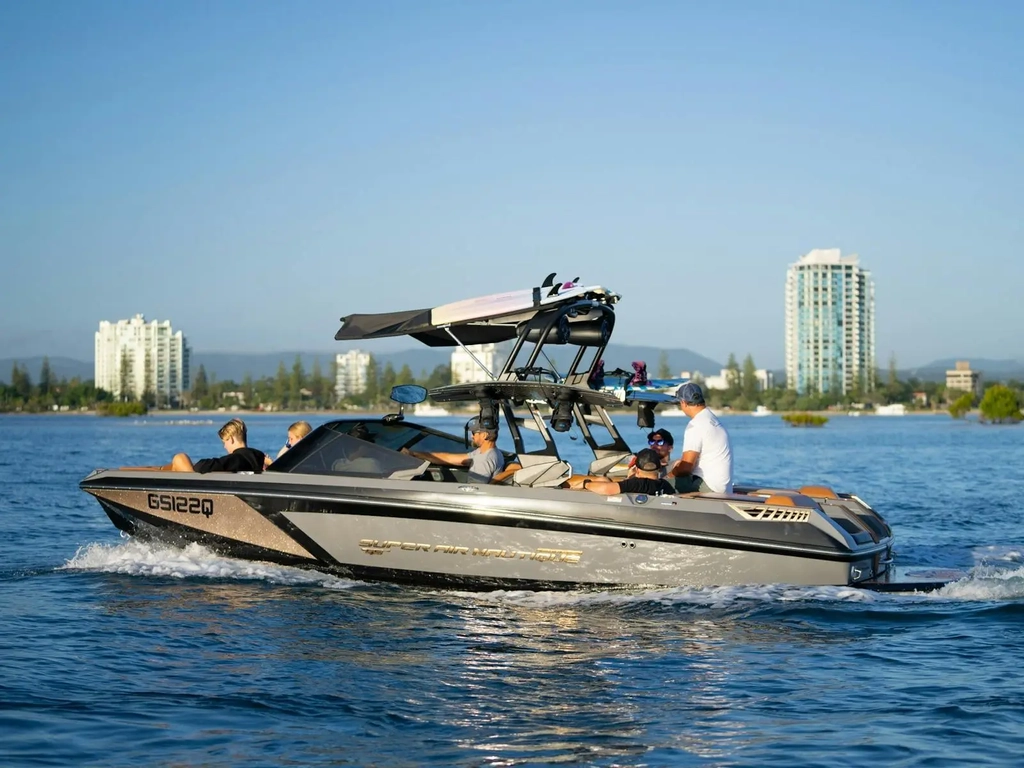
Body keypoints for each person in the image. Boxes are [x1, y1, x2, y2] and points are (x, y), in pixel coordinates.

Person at [667, 382, 733, 493]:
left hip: (709, 486)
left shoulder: (696, 425)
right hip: (723, 486)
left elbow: (686, 468)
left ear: (683, 403)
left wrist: (668, 476)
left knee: (658, 485)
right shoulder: (712, 419)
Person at [402, 418, 504, 484]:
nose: (471, 436)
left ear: (484, 435)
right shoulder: (487, 452)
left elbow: (475, 490)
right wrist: (414, 454)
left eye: (474, 433)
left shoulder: (484, 459)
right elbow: (450, 458)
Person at [168, 418, 265, 473]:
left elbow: (201, 466)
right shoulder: (259, 457)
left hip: (211, 496)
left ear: (231, 439)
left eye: (224, 443)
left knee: (180, 458)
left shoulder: (237, 459)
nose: (224, 447)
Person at [569, 448, 676, 496]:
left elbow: (607, 489)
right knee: (603, 479)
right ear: (659, 469)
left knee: (602, 481)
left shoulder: (637, 484)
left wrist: (585, 484)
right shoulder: (664, 485)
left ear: (637, 470)